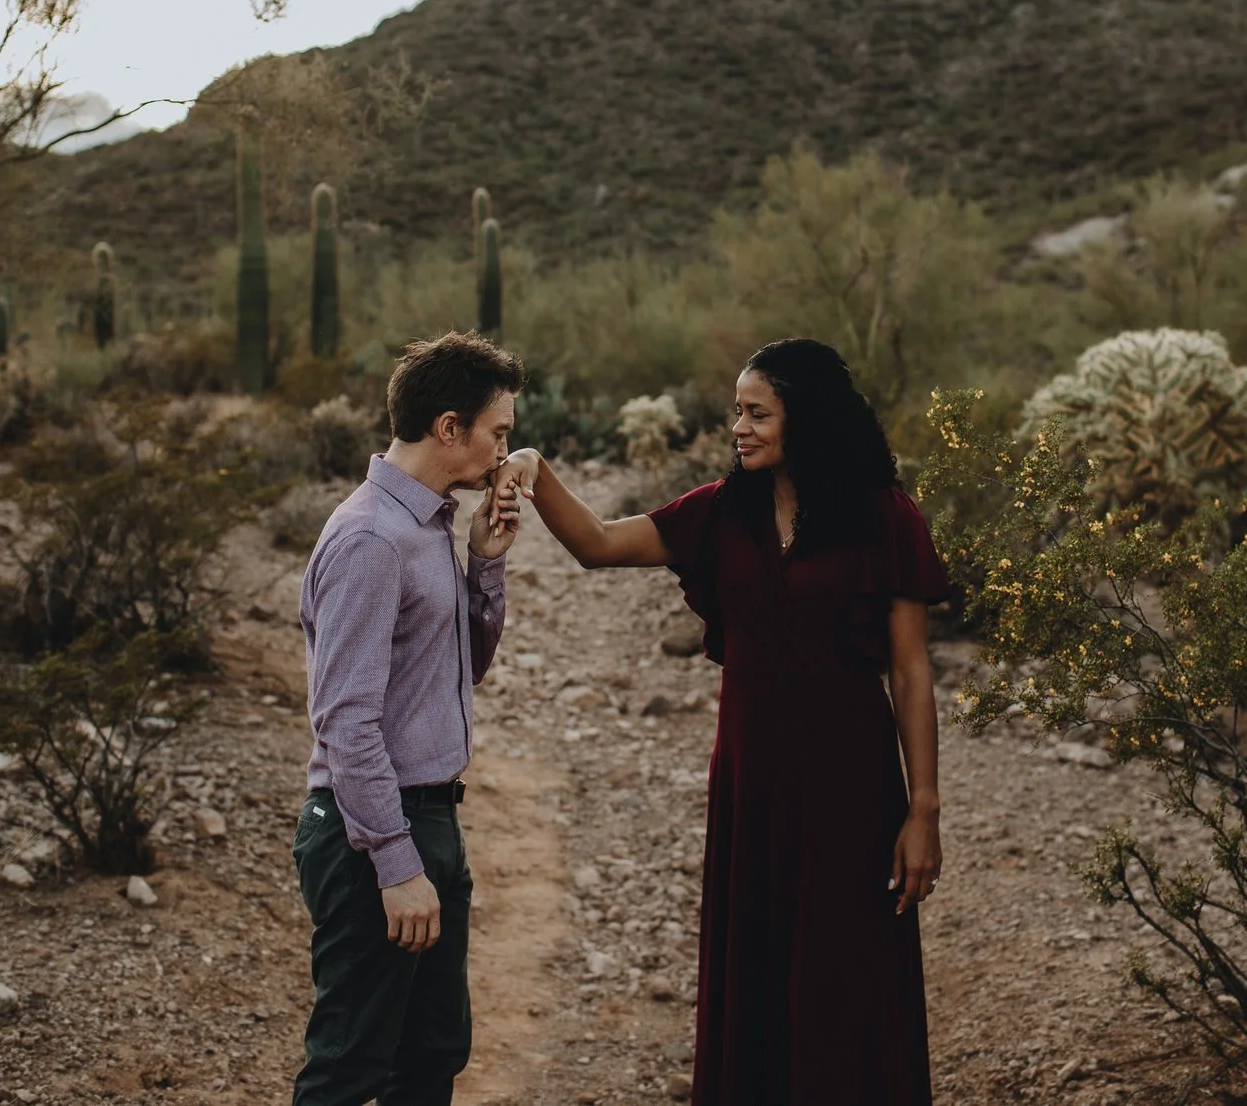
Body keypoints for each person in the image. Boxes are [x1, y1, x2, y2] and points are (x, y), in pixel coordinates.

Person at [506, 337, 948, 1106]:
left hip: (852, 786)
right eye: (735, 410)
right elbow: (597, 544)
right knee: (757, 970)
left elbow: (911, 671)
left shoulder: (885, 516)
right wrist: (536, 468)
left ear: (803, 418)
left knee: (848, 976)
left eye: (757, 412)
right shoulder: (720, 512)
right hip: (751, 784)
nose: (737, 426)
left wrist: (924, 807)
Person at [293, 331, 528, 1106]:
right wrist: (395, 863)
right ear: (450, 428)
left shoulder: (427, 525)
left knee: (430, 1054)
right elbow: (346, 721)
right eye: (499, 432)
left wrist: (485, 560)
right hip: (371, 830)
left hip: (430, 819)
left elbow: (458, 671)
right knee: (350, 1066)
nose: (505, 451)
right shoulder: (370, 538)